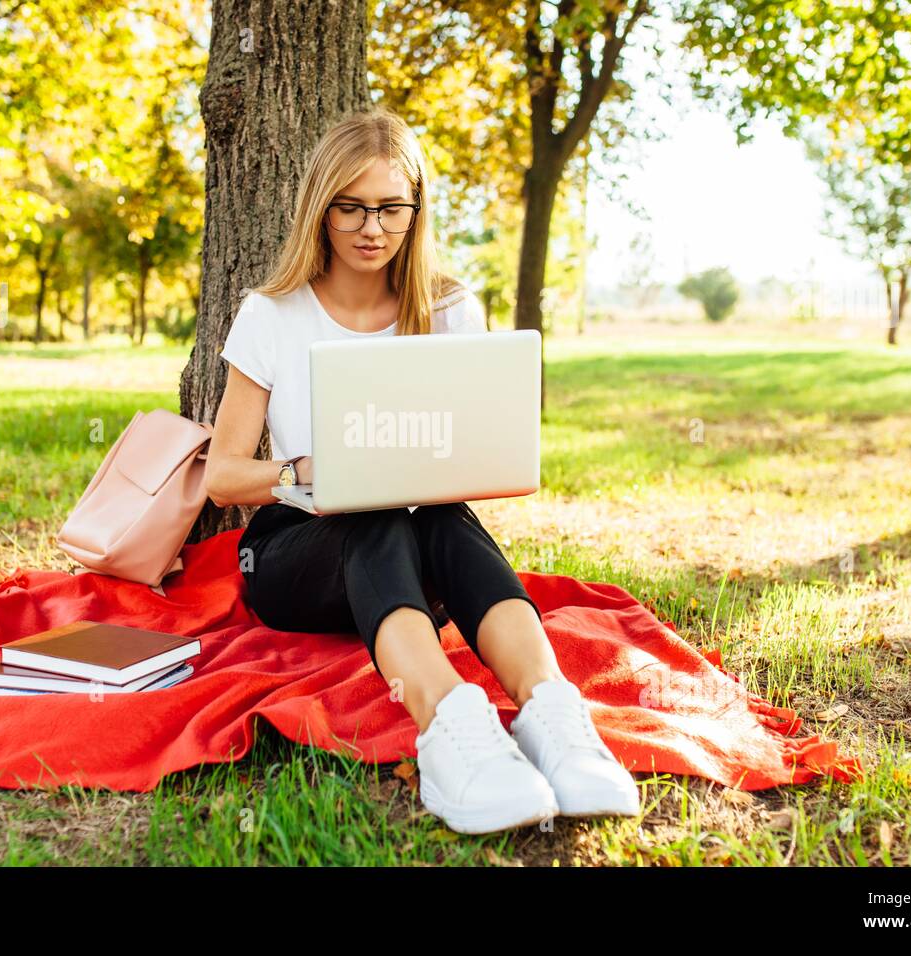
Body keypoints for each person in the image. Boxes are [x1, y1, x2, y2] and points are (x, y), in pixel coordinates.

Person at [204, 107, 640, 834]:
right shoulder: (271, 313)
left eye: (390, 208)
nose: (372, 228)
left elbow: (469, 454)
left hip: (416, 549)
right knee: (368, 503)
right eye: (351, 207)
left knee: (428, 509)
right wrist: (309, 470)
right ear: (321, 207)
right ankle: (450, 728)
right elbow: (222, 476)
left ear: (416, 209)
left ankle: (551, 713)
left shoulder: (447, 308)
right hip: (290, 549)